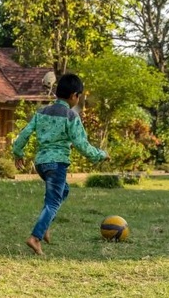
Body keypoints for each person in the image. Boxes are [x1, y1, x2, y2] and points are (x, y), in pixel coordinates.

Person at [12, 73, 108, 256]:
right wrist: (101, 155)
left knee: (63, 191)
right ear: (74, 95)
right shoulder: (71, 116)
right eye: (79, 97)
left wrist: (18, 152)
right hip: (57, 165)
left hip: (41, 163)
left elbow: (24, 133)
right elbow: (82, 145)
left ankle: (45, 225)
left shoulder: (41, 112)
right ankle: (35, 237)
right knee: (54, 201)